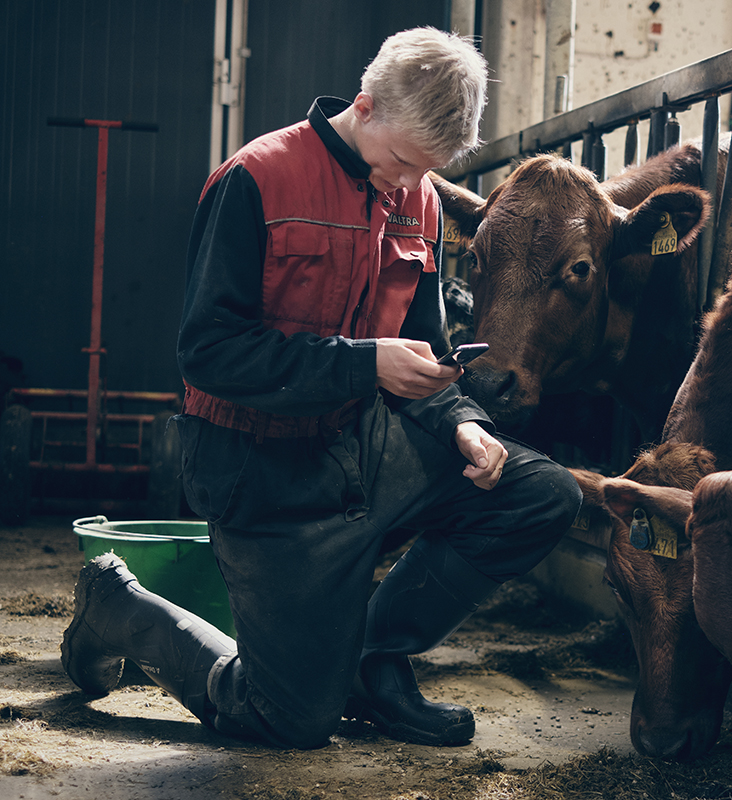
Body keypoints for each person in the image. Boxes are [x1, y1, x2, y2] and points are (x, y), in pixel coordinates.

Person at [60, 27, 583, 751]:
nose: (407, 185)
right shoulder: (256, 179)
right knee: (290, 720)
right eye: (400, 162)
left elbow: (426, 355)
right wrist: (363, 365)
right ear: (365, 107)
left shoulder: (420, 198)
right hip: (257, 466)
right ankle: (118, 606)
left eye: (424, 171)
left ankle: (369, 662)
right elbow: (208, 353)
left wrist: (462, 420)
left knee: (540, 492)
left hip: (360, 445)